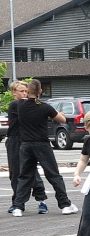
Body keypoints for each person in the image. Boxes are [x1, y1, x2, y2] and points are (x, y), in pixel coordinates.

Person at [12, 79, 77, 216]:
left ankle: (18, 206)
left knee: (24, 176)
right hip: (42, 144)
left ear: (28, 91)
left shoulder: (20, 106)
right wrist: (56, 114)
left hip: (26, 145)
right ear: (41, 91)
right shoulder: (45, 107)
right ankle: (64, 204)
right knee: (53, 174)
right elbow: (62, 120)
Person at [7, 81, 49, 215]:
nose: (25, 94)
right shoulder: (15, 105)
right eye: (21, 91)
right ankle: (17, 203)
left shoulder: (29, 105)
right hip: (14, 140)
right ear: (14, 93)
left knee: (32, 172)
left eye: (26, 91)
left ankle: (41, 200)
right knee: (15, 172)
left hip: (27, 140)